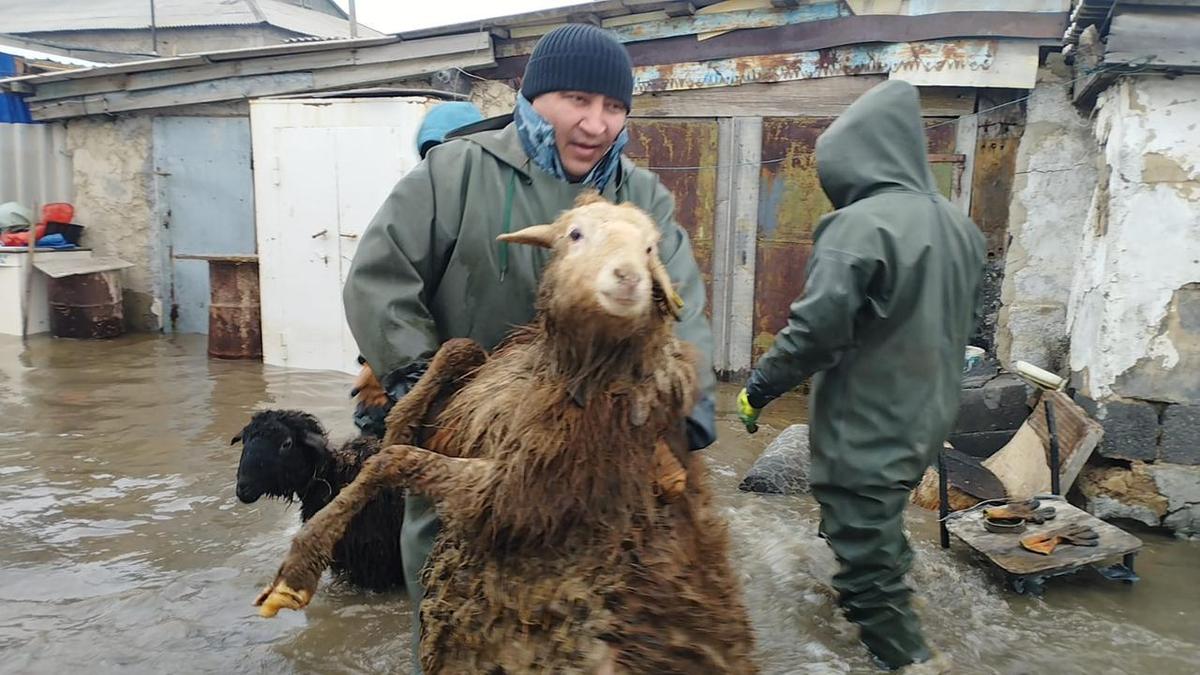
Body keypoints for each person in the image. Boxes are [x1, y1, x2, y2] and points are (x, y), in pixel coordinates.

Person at [341, 23, 717, 671]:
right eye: (576, 99)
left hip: (594, 465)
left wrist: (686, 415)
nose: (596, 123)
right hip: (467, 456)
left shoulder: (642, 197)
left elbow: (682, 306)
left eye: (614, 106)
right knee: (454, 616)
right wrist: (421, 389)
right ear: (532, 96)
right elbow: (379, 279)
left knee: (591, 629)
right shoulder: (455, 174)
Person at [735, 80, 985, 672]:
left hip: (868, 417)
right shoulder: (960, 229)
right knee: (871, 519)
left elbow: (815, 332)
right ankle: (850, 582)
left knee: (864, 549)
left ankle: (908, 657)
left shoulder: (858, 226)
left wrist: (758, 389)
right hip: (927, 415)